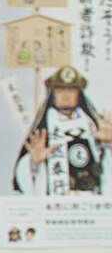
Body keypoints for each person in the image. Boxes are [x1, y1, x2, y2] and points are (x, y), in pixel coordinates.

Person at [13, 63, 111, 195]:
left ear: (79, 94)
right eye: (60, 91)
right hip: (57, 205)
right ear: (52, 95)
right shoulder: (43, 131)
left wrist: (110, 143)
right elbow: (25, 177)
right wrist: (33, 163)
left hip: (92, 202)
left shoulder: (94, 127)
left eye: (71, 91)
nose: (66, 96)